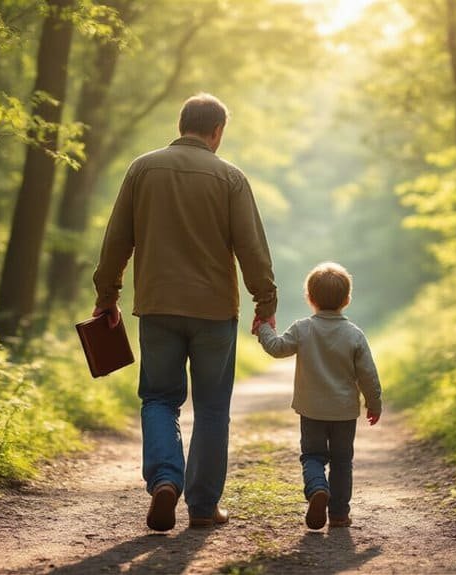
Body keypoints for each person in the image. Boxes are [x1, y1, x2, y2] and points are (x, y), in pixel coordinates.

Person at [92, 93, 277, 532]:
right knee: (212, 408)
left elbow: (118, 237)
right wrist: (264, 303)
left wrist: (107, 294)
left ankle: (164, 480)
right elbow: (251, 248)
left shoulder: (142, 168)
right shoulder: (230, 177)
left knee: (159, 398)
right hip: (214, 311)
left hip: (156, 305)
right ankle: (202, 506)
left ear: (181, 125)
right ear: (217, 132)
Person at [254, 262, 382, 530]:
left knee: (312, 456)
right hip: (344, 412)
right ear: (347, 299)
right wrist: (374, 403)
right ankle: (338, 515)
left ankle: (316, 490)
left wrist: (264, 327)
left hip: (311, 410)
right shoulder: (354, 334)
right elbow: (367, 374)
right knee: (341, 461)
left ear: (310, 298)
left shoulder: (303, 328)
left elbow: (277, 348)